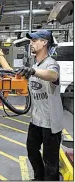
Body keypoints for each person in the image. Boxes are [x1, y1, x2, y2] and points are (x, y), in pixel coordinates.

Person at [16, 30, 63, 181]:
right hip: (36, 120)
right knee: (32, 151)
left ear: (44, 42)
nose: (31, 43)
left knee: (50, 161)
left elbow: (53, 75)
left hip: (50, 122)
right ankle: (39, 178)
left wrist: (34, 71)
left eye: (34, 40)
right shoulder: (35, 64)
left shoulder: (51, 64)